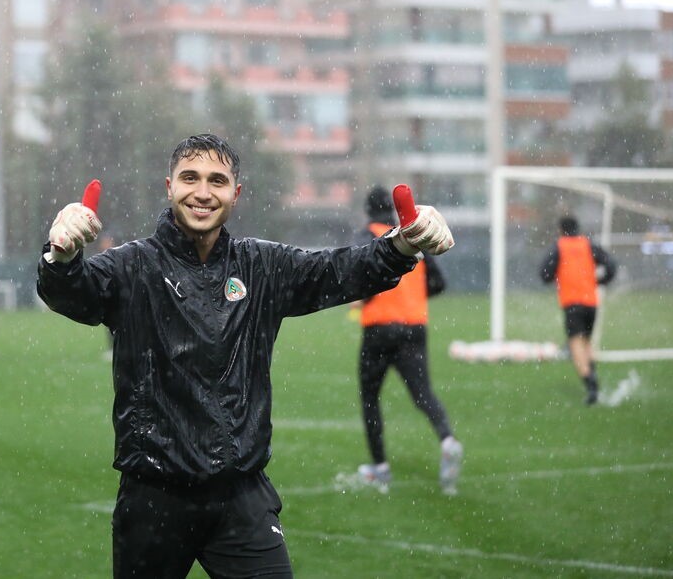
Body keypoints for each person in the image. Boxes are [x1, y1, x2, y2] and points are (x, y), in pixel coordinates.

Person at [37, 134, 455, 578]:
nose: (202, 192)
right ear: (169, 186)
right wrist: (60, 255)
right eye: (190, 178)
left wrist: (403, 245)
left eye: (217, 181)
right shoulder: (132, 266)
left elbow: (339, 270)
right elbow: (73, 294)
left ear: (235, 194)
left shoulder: (261, 266)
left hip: (241, 497)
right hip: (153, 497)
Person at [347, 186, 462, 495]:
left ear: (368, 210)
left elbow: (358, 271)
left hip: (380, 327)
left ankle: (380, 468)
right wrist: (412, 296)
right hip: (414, 326)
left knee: (370, 398)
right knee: (422, 393)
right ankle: (448, 439)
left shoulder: (367, 235)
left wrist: (365, 298)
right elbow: (438, 282)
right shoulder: (411, 236)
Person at [540, 216, 617, 405]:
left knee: (575, 344)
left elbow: (544, 273)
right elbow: (611, 265)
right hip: (591, 302)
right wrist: (600, 281)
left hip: (572, 302)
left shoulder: (560, 246)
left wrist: (556, 277)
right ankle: (592, 376)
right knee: (585, 342)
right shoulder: (588, 244)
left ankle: (591, 386)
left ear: (560, 230)